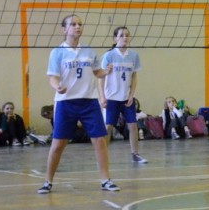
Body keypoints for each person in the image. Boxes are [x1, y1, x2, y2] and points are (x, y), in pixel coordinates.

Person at [37, 15, 120, 194]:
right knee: (58, 143)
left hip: (89, 101)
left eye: (80, 24)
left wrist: (106, 72)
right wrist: (57, 86)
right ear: (64, 29)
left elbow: (97, 72)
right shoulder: (57, 52)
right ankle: (47, 182)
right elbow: (52, 77)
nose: (77, 27)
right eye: (73, 24)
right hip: (65, 103)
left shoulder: (89, 51)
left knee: (99, 140)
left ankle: (105, 180)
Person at [98, 26, 147, 164]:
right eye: (121, 35)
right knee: (108, 127)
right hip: (112, 98)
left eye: (127, 35)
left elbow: (134, 76)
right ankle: (102, 156)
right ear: (115, 38)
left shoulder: (134, 56)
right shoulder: (109, 56)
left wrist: (131, 95)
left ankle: (135, 154)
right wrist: (102, 97)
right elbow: (101, 78)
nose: (125, 37)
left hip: (126, 98)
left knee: (133, 126)